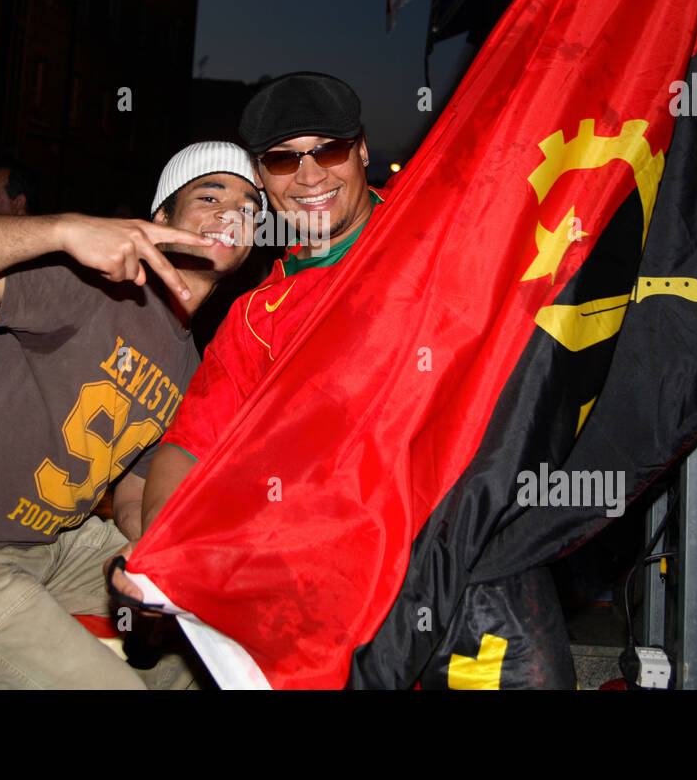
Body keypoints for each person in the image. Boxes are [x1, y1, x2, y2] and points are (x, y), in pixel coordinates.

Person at [112, 73, 576, 689]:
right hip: (338, 587)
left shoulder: (437, 221)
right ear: (264, 176)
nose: (308, 178)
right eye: (282, 159)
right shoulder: (256, 319)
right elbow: (188, 446)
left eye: (327, 150)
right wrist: (165, 557)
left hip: (475, 552)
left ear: (360, 150)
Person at [0, 141, 262, 689]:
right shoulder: (94, 288)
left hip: (53, 546)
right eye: (210, 195)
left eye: (248, 205)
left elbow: (132, 496)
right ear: (161, 217)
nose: (230, 212)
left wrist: (155, 554)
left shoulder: (192, 365)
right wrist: (65, 230)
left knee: (217, 641)